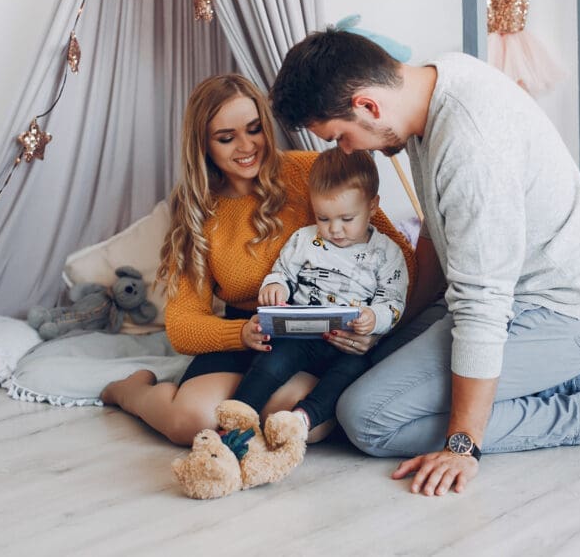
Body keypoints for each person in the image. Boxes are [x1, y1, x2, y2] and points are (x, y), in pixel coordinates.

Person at [269, 29, 580, 497]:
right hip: (510, 300)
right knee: (369, 358)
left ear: (368, 105)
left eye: (341, 137)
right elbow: (439, 235)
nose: (349, 151)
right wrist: (394, 328)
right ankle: (577, 369)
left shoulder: (471, 145)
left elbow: (484, 305)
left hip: (553, 309)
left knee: (367, 419)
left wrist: (463, 445)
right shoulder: (432, 85)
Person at [100, 73, 415, 445]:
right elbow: (182, 324)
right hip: (243, 335)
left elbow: (402, 263)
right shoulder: (198, 207)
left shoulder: (312, 173)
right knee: (191, 422)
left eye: (254, 130)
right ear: (203, 145)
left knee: (296, 423)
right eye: (226, 137)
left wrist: (375, 332)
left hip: (311, 336)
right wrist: (242, 333)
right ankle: (131, 391)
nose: (246, 146)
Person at [232, 148, 408, 433]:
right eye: (323, 218)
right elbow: (283, 271)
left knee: (353, 373)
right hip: (301, 335)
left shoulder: (387, 253)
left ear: (372, 206)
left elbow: (394, 301)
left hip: (350, 344)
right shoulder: (304, 239)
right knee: (270, 362)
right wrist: (275, 286)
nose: (334, 229)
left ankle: (303, 419)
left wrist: (374, 318)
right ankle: (237, 417)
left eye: (347, 219)